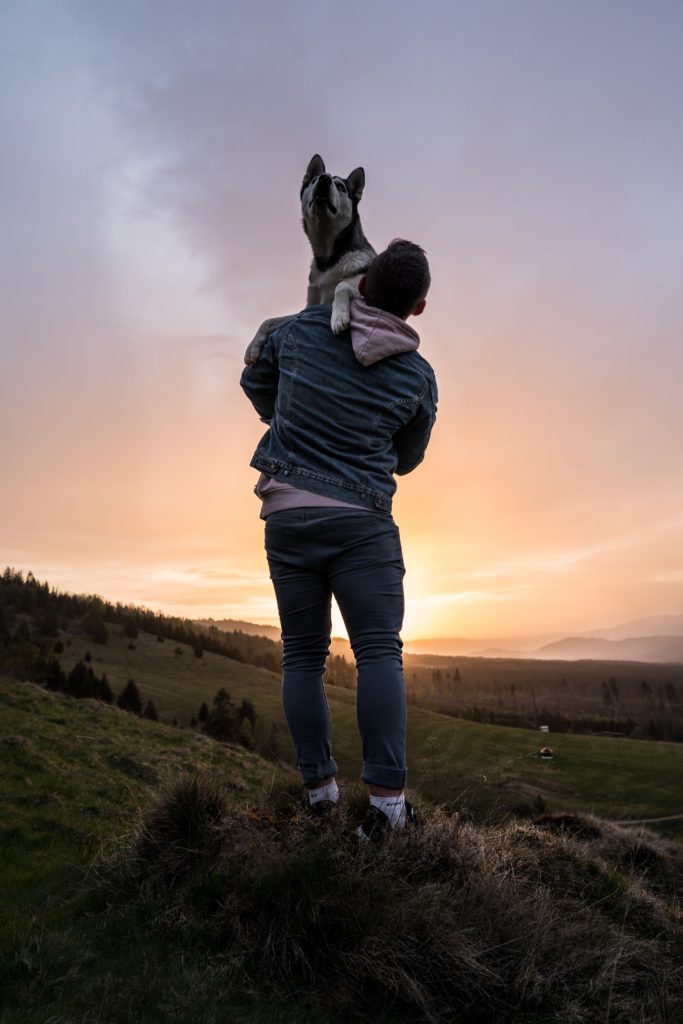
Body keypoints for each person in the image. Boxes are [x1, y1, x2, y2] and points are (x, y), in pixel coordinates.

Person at [240, 239, 437, 841]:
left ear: (366, 278)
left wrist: (297, 418)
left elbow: (256, 384)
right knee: (378, 651)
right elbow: (407, 460)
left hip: (288, 514)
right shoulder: (417, 375)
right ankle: (385, 813)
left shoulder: (298, 333)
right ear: (419, 307)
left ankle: (321, 796)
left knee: (302, 656)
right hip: (362, 524)